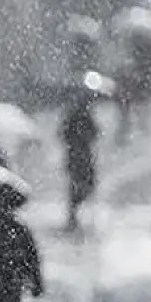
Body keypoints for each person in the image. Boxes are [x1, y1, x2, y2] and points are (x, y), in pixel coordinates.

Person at [60, 96, 99, 231]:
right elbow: (95, 134)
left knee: (80, 185)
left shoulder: (76, 118)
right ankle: (74, 213)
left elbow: (63, 134)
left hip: (78, 157)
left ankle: (74, 212)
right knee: (80, 184)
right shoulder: (79, 118)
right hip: (79, 157)